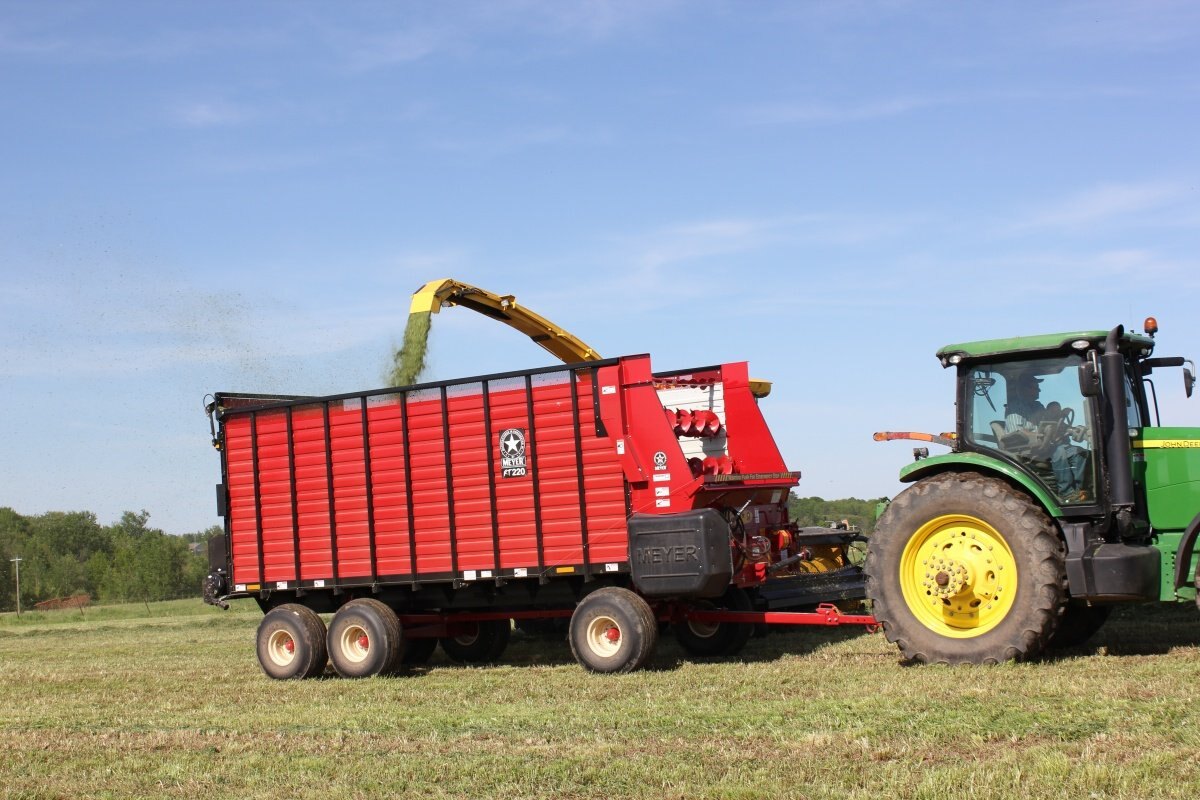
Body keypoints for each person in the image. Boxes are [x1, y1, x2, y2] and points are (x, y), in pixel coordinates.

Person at [1004, 371, 1088, 502]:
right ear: (1024, 389)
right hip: (1028, 449)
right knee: (1060, 451)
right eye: (1035, 388)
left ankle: (1079, 491)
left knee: (1078, 452)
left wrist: (1060, 415)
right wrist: (1040, 436)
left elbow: (1050, 421)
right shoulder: (1015, 407)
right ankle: (1066, 493)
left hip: (1046, 444)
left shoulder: (1038, 406)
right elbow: (1017, 431)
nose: (1039, 391)